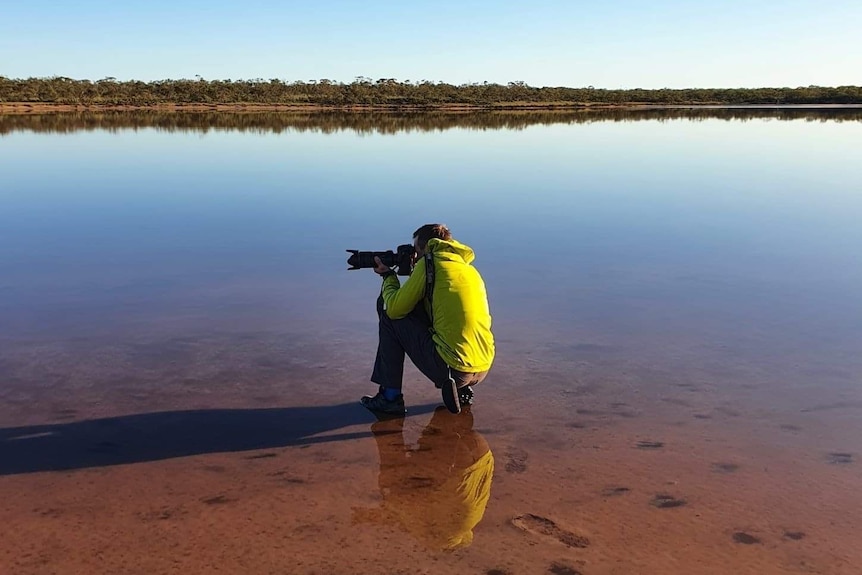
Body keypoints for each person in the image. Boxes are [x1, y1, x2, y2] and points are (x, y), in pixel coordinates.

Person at [361, 224, 494, 415]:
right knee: (442, 317)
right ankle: (463, 391)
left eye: (416, 251)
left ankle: (389, 398)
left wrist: (388, 276)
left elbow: (394, 309)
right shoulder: (469, 270)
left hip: (452, 371)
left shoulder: (430, 263)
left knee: (388, 313)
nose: (414, 257)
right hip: (482, 368)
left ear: (426, 247)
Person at [352, 406, 494, 550]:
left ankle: (457, 407)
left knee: (444, 413)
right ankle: (388, 428)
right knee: (392, 483)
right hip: (458, 457)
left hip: (482, 450)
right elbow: (399, 506)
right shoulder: (433, 535)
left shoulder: (466, 526)